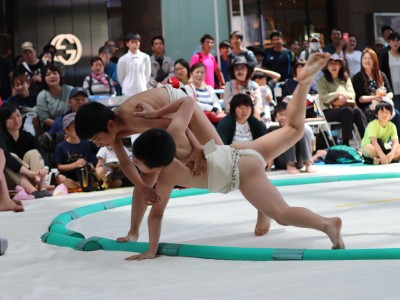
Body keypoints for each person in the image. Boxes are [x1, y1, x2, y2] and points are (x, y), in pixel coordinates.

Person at [122, 53, 344, 260]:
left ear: (157, 165)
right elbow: (188, 102)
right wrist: (157, 115)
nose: (136, 165)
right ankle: (303, 82)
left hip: (244, 172)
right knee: (295, 129)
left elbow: (156, 215)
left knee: (282, 213)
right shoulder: (176, 132)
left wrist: (151, 250)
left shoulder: (166, 176)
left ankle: (327, 224)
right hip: (239, 149)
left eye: (139, 164)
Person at [75, 85, 272, 236]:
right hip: (169, 119)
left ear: (109, 125)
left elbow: (175, 123)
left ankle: (263, 204)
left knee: (222, 157)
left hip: (182, 109)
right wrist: (143, 188)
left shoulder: (133, 117)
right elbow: (126, 163)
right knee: (146, 177)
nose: (99, 145)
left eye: (97, 139)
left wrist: (196, 148)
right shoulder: (114, 129)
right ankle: (133, 232)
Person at [0, 104, 52, 198]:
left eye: (18, 115)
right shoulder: (1, 136)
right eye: (11, 117)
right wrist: (29, 173)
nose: (16, 120)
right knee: (10, 157)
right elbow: (7, 158)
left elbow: (42, 152)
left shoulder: (26, 135)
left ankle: (43, 188)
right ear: (3, 121)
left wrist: (44, 169)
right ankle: (33, 191)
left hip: (32, 177)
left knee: (33, 153)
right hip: (11, 180)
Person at [317, 54, 367, 146]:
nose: (334, 66)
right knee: (348, 111)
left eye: (336, 63)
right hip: (328, 110)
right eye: (331, 63)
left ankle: (366, 141)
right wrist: (338, 94)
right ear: (326, 66)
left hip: (345, 107)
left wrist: (344, 96)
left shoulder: (345, 78)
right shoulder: (322, 80)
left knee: (357, 111)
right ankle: (345, 144)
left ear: (341, 66)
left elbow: (352, 94)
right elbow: (323, 97)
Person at [352, 48, 400, 133]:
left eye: (370, 58)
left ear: (374, 60)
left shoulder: (381, 75)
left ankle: (396, 140)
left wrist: (385, 96)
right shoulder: (357, 78)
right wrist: (374, 97)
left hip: (383, 104)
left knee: (396, 114)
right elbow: (360, 99)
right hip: (367, 108)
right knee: (381, 114)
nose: (367, 60)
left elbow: (390, 92)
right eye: (365, 58)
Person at [54, 113, 98, 190]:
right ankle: (81, 186)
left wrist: (90, 165)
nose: (78, 129)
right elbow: (59, 167)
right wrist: (75, 164)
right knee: (60, 178)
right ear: (66, 130)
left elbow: (90, 161)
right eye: (74, 127)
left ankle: (84, 184)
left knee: (101, 170)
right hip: (68, 177)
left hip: (84, 175)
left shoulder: (85, 143)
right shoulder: (60, 147)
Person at [267, 102, 315, 173]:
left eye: (286, 115)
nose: (283, 117)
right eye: (280, 115)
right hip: (283, 162)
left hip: (299, 161)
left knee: (303, 130)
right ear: (275, 117)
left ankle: (308, 164)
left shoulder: (299, 129)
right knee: (288, 131)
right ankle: (291, 165)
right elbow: (268, 148)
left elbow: (311, 144)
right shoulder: (272, 129)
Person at [36, 64, 73, 130]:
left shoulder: (70, 90)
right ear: (44, 79)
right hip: (53, 129)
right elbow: (44, 119)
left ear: (60, 76)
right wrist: (62, 126)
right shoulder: (42, 96)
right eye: (48, 74)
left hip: (73, 125)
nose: (52, 76)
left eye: (54, 73)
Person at [380, 32, 400, 111]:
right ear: (389, 42)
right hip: (393, 90)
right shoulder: (385, 56)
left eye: (398, 41)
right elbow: (382, 73)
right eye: (393, 40)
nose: (396, 43)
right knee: (396, 112)